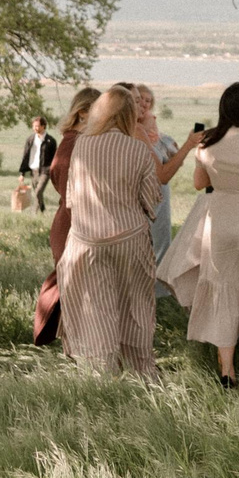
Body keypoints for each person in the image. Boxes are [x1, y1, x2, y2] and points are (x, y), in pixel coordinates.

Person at [158, 82, 239, 386]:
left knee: (224, 293)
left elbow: (201, 183)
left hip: (222, 224)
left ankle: (227, 371)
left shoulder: (208, 145)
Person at [56, 85, 164, 378]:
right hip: (130, 239)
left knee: (96, 312)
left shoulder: (81, 146)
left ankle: (101, 378)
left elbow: (71, 198)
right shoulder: (139, 150)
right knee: (135, 309)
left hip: (86, 242)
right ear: (130, 115)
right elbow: (151, 200)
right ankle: (141, 374)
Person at [30, 86, 99, 347]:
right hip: (71, 222)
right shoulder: (74, 143)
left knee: (77, 285)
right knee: (72, 285)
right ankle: (73, 344)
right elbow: (65, 183)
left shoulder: (77, 140)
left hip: (74, 220)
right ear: (82, 113)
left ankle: (77, 343)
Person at [125, 82, 197, 283]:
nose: (143, 106)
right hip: (145, 203)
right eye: (138, 101)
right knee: (152, 251)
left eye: (146, 101)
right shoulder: (137, 130)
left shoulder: (152, 131)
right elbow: (162, 174)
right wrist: (189, 144)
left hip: (153, 202)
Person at [17, 116, 58, 200]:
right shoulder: (30, 139)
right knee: (36, 193)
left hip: (45, 171)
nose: (35, 128)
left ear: (43, 126)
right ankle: (42, 210)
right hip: (34, 170)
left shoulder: (51, 141)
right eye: (34, 126)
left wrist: (54, 171)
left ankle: (34, 212)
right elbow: (25, 156)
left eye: (37, 126)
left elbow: (55, 158)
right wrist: (22, 173)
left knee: (38, 191)